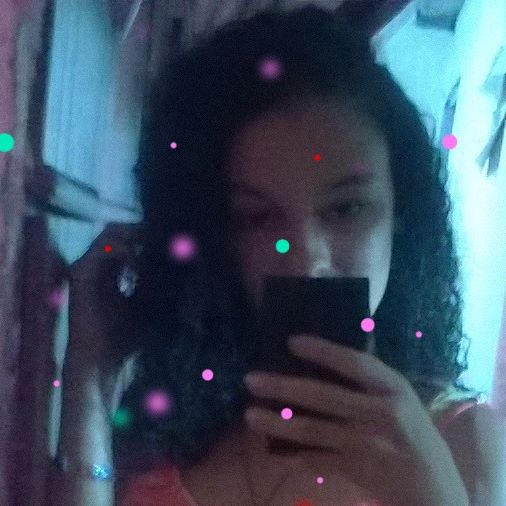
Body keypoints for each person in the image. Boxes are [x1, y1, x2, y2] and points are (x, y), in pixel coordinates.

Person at [49, 5, 505, 506]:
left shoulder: (464, 441)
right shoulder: (169, 424)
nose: (308, 261)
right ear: (219, 236)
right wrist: (87, 384)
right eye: (260, 218)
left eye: (347, 208)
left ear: (401, 212)